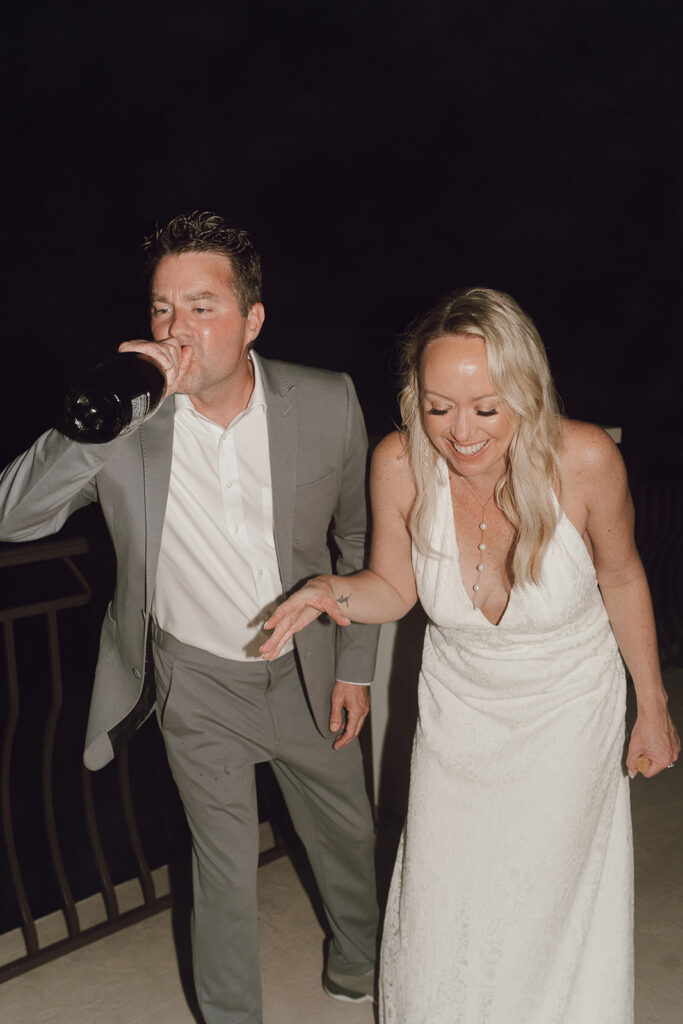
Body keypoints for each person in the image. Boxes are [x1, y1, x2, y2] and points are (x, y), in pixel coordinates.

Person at [261, 286, 680, 1023]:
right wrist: (329, 591)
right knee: (444, 889)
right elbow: (391, 588)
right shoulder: (398, 463)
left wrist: (652, 706)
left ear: (527, 391)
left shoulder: (583, 459)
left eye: (485, 408)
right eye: (436, 406)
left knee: (541, 896)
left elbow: (619, 576)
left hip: (567, 708)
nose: (459, 432)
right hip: (458, 715)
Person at [0, 212, 380, 1024]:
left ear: (251, 321)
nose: (176, 330)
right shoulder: (127, 426)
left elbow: (357, 537)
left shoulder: (324, 400)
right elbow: (17, 518)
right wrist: (95, 422)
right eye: (162, 308)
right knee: (222, 873)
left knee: (345, 839)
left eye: (202, 307)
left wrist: (356, 665)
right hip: (195, 685)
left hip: (308, 664)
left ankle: (359, 962)